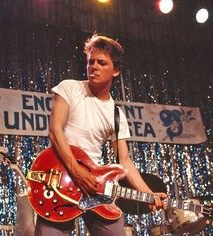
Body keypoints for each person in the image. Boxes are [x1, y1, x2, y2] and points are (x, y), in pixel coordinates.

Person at [35, 33, 167, 236]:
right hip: (61, 180)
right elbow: (55, 131)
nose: (93, 66)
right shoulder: (69, 88)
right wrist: (76, 171)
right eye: (90, 62)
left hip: (96, 186)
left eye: (101, 62)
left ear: (115, 71)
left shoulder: (116, 114)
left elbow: (124, 161)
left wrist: (148, 194)